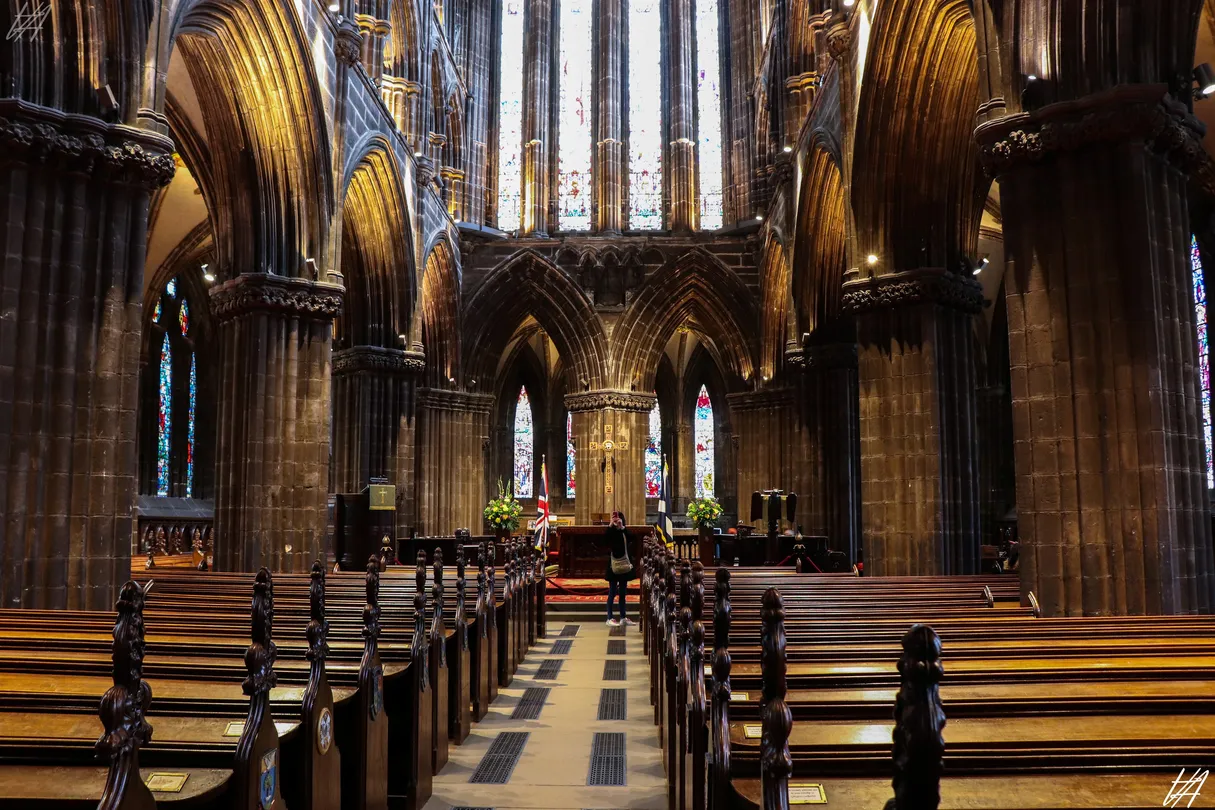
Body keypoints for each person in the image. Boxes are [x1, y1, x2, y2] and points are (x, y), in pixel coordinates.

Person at [605, 510, 636, 626]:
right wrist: (610, 525)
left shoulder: (624, 531)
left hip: (624, 565)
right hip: (613, 565)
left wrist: (622, 527)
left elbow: (631, 539)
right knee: (612, 592)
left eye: (618, 519)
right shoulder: (611, 532)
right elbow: (605, 540)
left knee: (622, 592)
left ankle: (623, 617)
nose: (616, 521)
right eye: (615, 519)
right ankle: (610, 617)